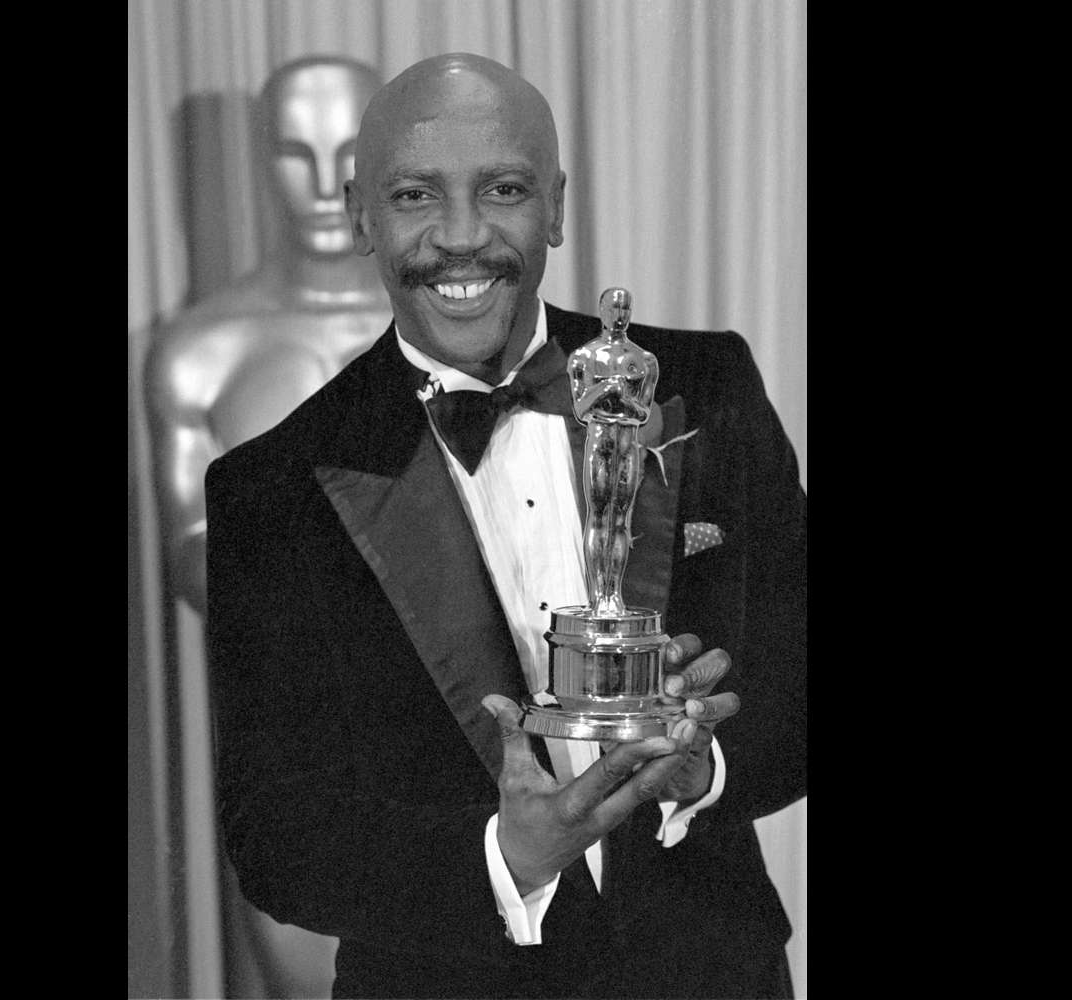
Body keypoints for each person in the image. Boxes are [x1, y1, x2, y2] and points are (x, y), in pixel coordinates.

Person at [206, 52, 806, 999]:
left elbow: (799, 679)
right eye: (414, 194)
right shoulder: (269, 489)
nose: (461, 236)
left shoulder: (707, 387)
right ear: (364, 214)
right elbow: (277, 834)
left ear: (557, 207)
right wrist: (503, 856)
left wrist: (704, 771)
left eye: (504, 188)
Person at [146, 56, 391, 616]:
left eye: (348, 153)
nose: (329, 185)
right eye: (296, 154)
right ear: (261, 159)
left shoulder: (450, 327)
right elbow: (191, 546)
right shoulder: (196, 353)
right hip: (281, 681)